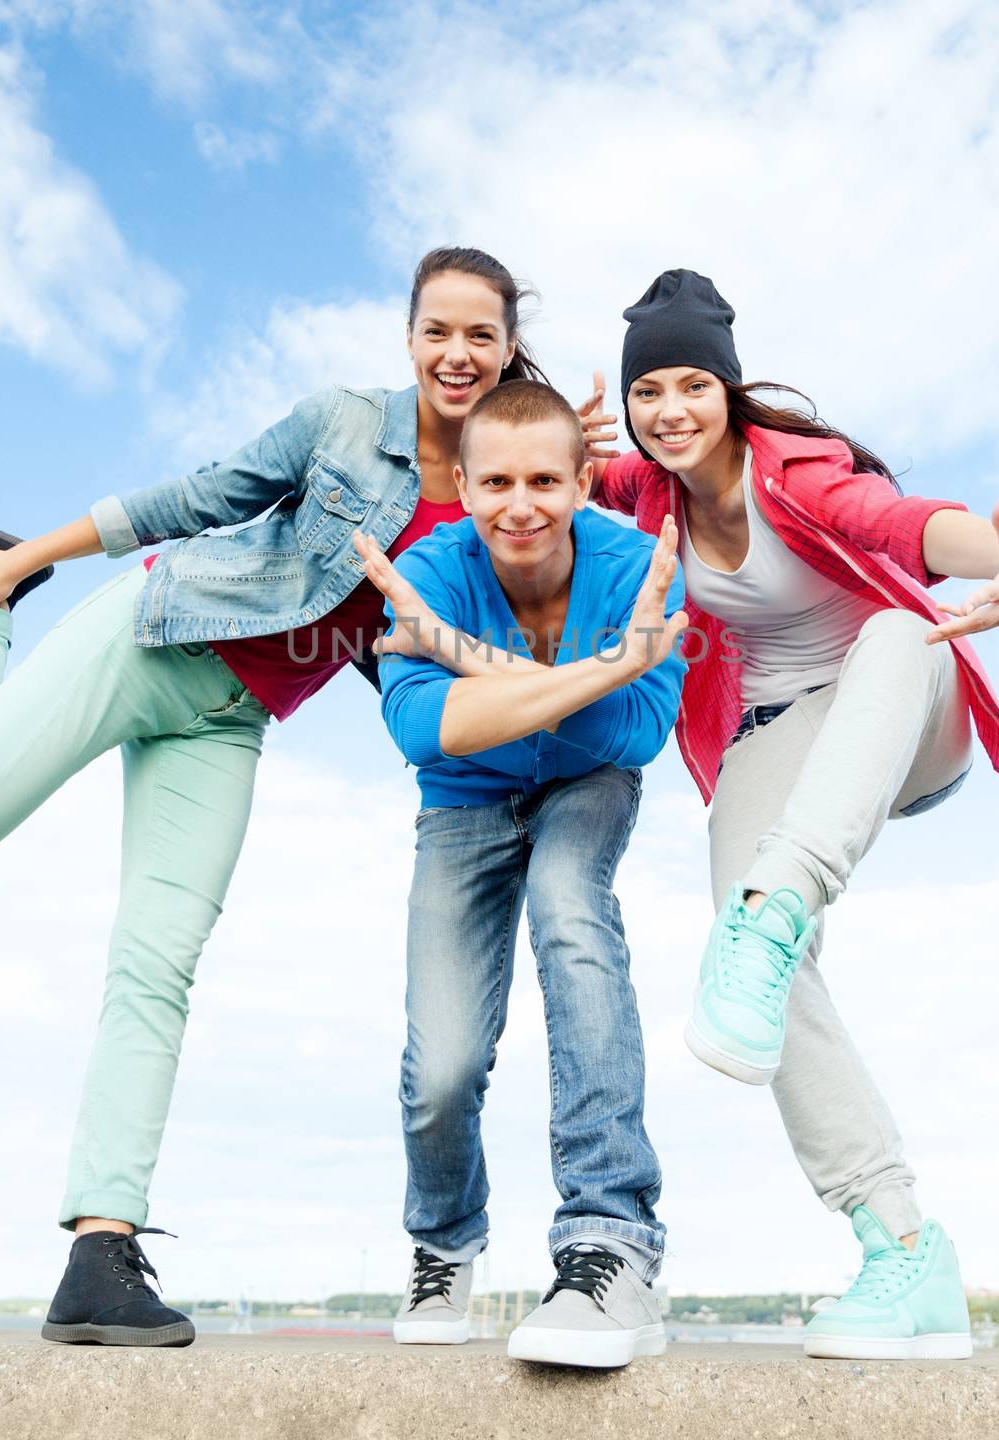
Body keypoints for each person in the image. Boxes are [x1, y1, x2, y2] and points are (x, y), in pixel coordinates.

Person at [0, 246, 544, 1348]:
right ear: (409, 337)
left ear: (507, 345)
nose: (457, 354)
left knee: (158, 961)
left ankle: (100, 1249)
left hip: (228, 722)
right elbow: (194, 496)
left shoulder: (489, 502)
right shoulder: (341, 423)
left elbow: (450, 644)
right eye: (438, 330)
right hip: (152, 635)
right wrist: (18, 564)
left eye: (481, 334)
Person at [581, 268, 999, 1361]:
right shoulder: (640, 490)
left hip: (906, 702)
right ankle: (902, 1248)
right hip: (780, 732)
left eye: (690, 384)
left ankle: (779, 899)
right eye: (645, 389)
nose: (667, 410)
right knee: (750, 966)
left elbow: (901, 523)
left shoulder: (795, 471)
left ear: (729, 389)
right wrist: (552, 440)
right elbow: (510, 465)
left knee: (895, 631)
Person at [352, 379, 687, 1369]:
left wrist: (460, 656)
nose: (520, 503)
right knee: (443, 1060)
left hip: (587, 785)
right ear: (462, 485)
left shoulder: (638, 567)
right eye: (495, 481)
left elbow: (637, 730)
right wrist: (602, 668)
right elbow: (423, 729)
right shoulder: (428, 567)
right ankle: (443, 1240)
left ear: (583, 480)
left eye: (545, 478)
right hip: (462, 797)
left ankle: (608, 1240)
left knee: (569, 915)